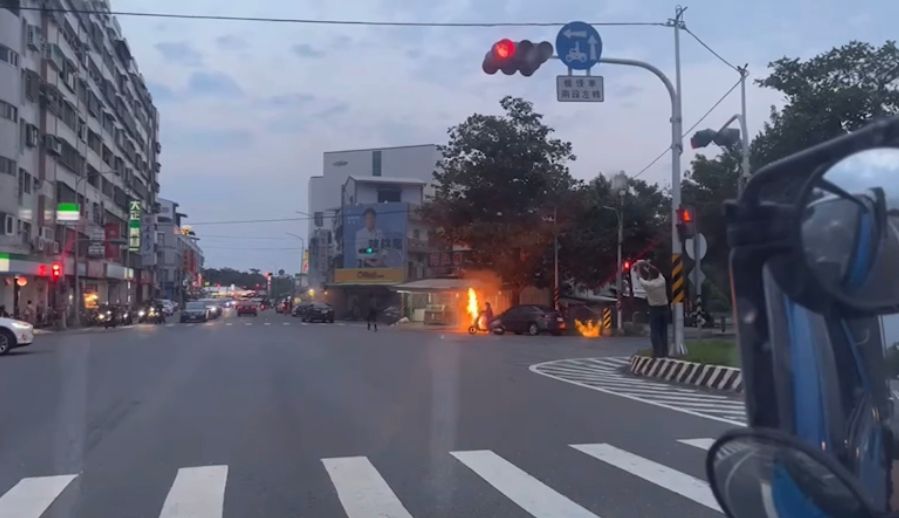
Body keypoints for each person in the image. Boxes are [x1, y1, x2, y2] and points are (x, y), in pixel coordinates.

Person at [635, 260, 669, 358]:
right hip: (665, 308)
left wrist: (638, 266)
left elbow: (639, 278)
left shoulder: (649, 285)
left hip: (655, 310)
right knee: (663, 332)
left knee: (655, 332)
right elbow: (656, 271)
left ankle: (657, 352)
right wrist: (647, 264)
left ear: (651, 276)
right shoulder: (662, 280)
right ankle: (664, 352)